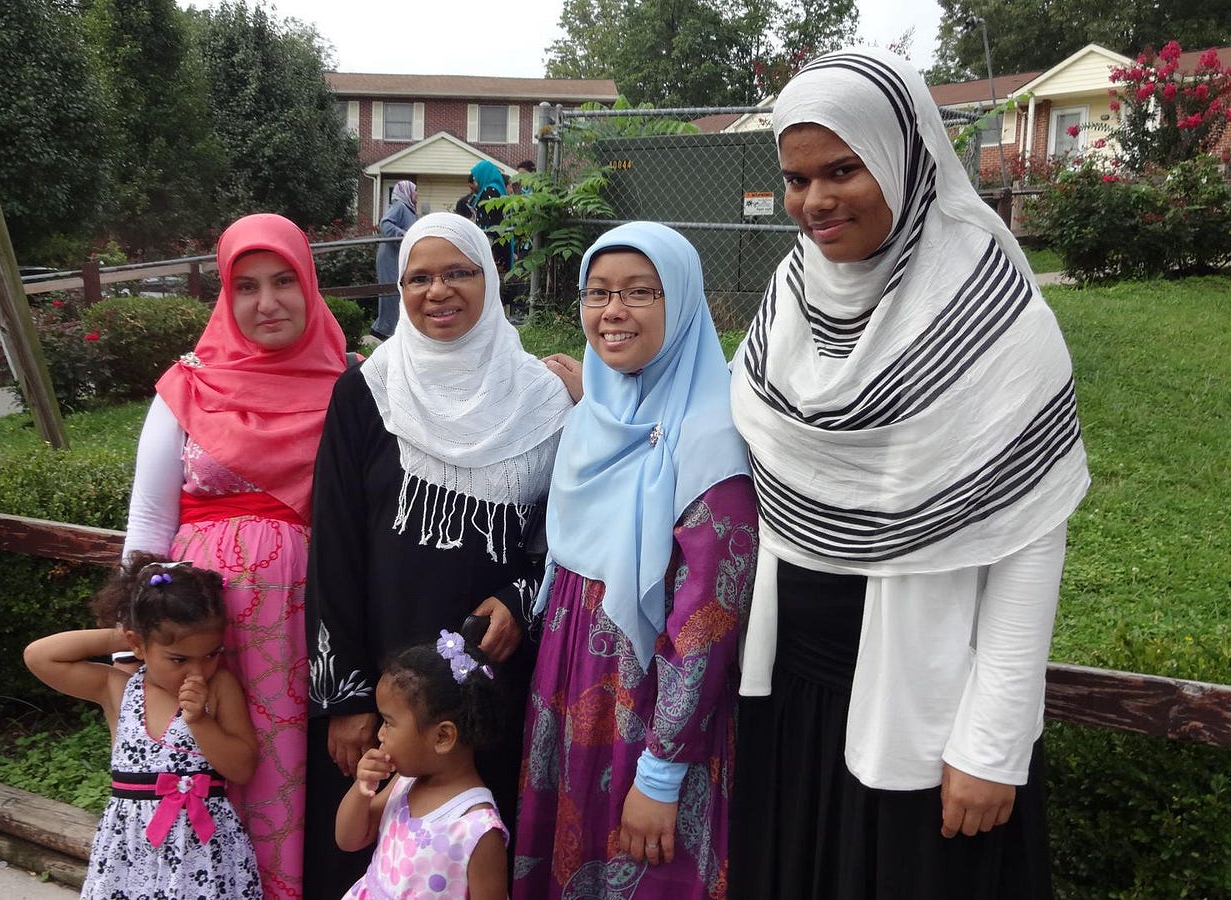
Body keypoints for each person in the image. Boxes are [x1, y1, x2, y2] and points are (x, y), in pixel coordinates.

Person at [728, 48, 1090, 898]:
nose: (815, 202)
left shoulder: (993, 309)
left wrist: (992, 745)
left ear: (903, 155)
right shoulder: (792, 292)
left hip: (925, 714)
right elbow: (743, 425)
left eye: (842, 170)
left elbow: (1030, 540)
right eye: (796, 179)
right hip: (796, 693)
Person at [303, 212, 576, 898]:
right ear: (400, 289)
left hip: (488, 680)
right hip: (384, 680)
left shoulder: (543, 399)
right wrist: (347, 698)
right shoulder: (366, 393)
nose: (438, 291)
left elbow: (565, 531)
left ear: (490, 279)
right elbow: (334, 547)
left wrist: (520, 599)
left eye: (458, 272)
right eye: (418, 278)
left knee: (475, 855)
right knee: (368, 845)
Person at [513, 222, 758, 899]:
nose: (612, 311)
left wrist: (662, 770)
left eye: (640, 292)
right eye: (597, 292)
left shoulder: (710, 440)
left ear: (682, 302)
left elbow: (708, 620)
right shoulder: (592, 418)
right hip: (569, 682)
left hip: (650, 708)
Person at [122, 213, 349, 898]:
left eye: (283, 281)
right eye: (245, 286)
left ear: (310, 284)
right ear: (225, 295)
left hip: (302, 623)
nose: (266, 302)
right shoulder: (187, 386)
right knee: (200, 762)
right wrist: (138, 642)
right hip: (197, 627)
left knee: (283, 768)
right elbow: (150, 519)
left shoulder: (352, 386)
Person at [25, 555, 264, 900]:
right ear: (137, 645)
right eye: (178, 659)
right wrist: (133, 636)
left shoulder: (219, 688)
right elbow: (39, 656)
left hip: (201, 852)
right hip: (129, 853)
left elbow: (242, 768)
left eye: (211, 655)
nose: (197, 671)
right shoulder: (118, 689)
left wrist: (200, 721)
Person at [334, 623, 509, 899]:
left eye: (389, 723)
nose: (380, 734)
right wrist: (362, 788)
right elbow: (349, 839)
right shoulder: (404, 782)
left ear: (442, 737)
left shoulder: (477, 829)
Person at [372, 181, 419, 340]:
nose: (417, 194)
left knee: (398, 294)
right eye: (415, 191)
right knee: (391, 294)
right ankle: (382, 330)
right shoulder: (400, 206)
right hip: (389, 256)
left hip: (398, 257)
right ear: (406, 191)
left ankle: (392, 329)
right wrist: (402, 235)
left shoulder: (409, 209)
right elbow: (385, 223)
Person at [470, 160, 511, 272]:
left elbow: (489, 221)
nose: (476, 182)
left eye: (476, 178)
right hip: (500, 240)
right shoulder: (497, 188)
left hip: (493, 243)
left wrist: (486, 247)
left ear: (483, 175)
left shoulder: (490, 191)